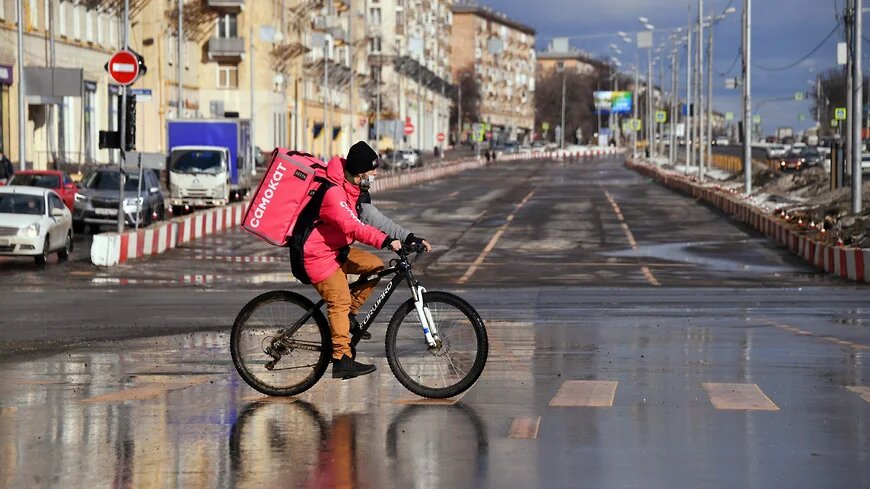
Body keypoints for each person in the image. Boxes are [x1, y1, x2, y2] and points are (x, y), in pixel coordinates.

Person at [303, 141, 431, 380]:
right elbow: (353, 226)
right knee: (339, 300)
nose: (375, 174)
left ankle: (347, 318)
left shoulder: (354, 191)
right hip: (317, 254)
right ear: (359, 172)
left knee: (374, 266)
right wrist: (385, 242)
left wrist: (408, 237)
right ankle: (341, 359)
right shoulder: (334, 193)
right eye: (372, 171)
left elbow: (375, 219)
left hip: (336, 249)